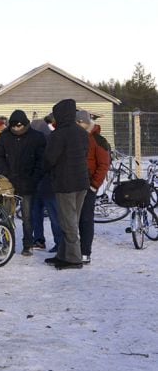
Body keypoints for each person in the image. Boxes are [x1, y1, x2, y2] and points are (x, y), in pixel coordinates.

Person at [0, 109, 46, 256]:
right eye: (14, 126)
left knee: (27, 217)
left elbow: (41, 161)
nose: (16, 129)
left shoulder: (36, 137)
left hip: (28, 182)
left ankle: (28, 244)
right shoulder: (5, 136)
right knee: (6, 216)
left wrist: (34, 178)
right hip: (9, 182)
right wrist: (5, 173)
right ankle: (6, 244)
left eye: (19, 126)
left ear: (25, 124)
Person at [43, 99, 89, 270]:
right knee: (71, 221)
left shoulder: (58, 134)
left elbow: (49, 159)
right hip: (82, 182)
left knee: (67, 222)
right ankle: (63, 255)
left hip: (65, 183)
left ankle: (74, 259)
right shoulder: (82, 133)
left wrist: (46, 169)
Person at [76, 110, 109, 264]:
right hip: (74, 184)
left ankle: (85, 252)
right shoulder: (75, 136)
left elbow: (103, 165)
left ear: (85, 122)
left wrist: (94, 185)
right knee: (72, 219)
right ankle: (73, 249)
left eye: (78, 122)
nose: (76, 125)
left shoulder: (97, 139)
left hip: (89, 185)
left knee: (86, 219)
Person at [28, 117, 63, 253]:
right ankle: (54, 241)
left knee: (40, 213)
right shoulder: (50, 140)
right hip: (45, 183)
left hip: (46, 182)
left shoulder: (44, 143)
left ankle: (42, 240)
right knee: (49, 214)